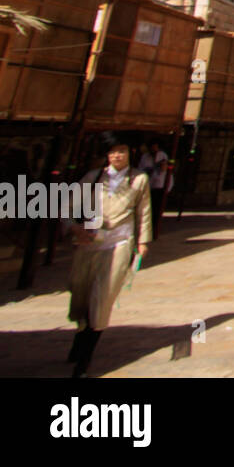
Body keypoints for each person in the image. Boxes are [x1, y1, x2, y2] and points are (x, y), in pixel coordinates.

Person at [65, 143, 151, 378]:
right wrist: (74, 228)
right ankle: (81, 336)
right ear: (106, 155)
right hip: (89, 241)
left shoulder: (138, 179)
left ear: (129, 153)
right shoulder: (93, 178)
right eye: (113, 152)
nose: (117, 156)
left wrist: (143, 242)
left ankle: (84, 359)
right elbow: (68, 207)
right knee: (80, 292)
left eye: (122, 151)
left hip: (119, 242)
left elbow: (143, 211)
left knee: (103, 296)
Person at [137, 142, 170, 234]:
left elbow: (165, 168)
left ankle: (154, 228)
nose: (153, 149)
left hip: (159, 185)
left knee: (156, 208)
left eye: (155, 147)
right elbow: (141, 169)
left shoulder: (162, 155)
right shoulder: (145, 157)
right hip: (148, 184)